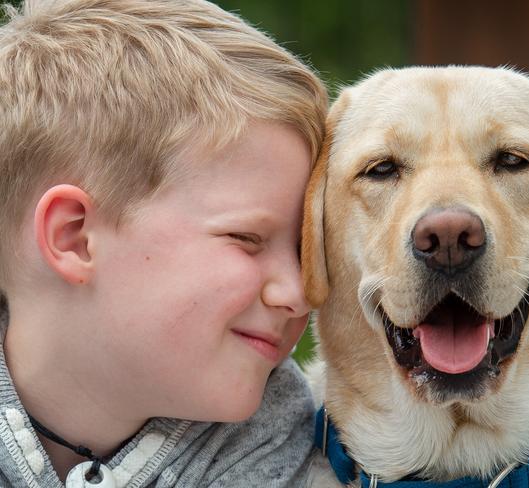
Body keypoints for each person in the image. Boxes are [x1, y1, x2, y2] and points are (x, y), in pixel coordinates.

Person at [0, 0, 327, 486]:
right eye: (248, 239)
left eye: (302, 250)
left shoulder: (276, 441)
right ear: (73, 238)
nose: (301, 294)